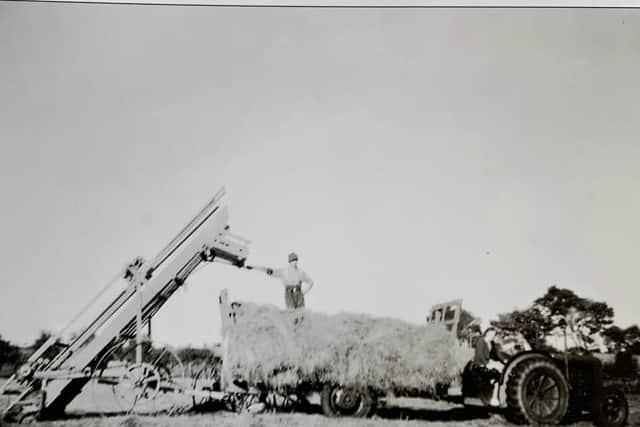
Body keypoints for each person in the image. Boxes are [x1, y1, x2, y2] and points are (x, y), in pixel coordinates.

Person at [249, 252, 314, 312]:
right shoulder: (283, 272)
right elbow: (268, 270)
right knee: (291, 313)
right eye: (293, 261)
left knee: (301, 314)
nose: (295, 262)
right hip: (289, 294)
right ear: (289, 261)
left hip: (298, 294)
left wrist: (303, 292)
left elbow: (311, 282)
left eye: (296, 260)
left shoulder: (300, 272)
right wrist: (254, 267)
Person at [471, 327, 504, 407]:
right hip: (480, 363)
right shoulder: (481, 341)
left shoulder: (491, 343)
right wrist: (486, 364)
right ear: (487, 333)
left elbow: (497, 354)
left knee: (503, 368)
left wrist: (504, 361)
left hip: (488, 362)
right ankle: (494, 396)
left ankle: (495, 397)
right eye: (491, 334)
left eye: (493, 334)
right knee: (497, 372)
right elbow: (479, 354)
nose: (492, 335)